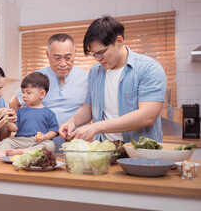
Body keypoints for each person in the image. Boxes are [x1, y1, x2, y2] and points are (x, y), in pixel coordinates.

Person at [58, 15, 167, 143]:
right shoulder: (95, 71)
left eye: (101, 53)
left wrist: (96, 127)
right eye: (94, 55)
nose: (98, 59)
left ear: (119, 41)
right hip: (106, 151)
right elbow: (88, 108)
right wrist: (72, 121)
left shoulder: (148, 68)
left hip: (140, 152)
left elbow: (147, 116)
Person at [9, 33, 88, 152]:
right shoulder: (37, 78)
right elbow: (14, 103)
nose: (63, 64)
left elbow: (91, 110)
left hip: (75, 148)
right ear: (47, 55)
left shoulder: (86, 78)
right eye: (57, 58)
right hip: (38, 146)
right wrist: (21, 127)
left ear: (75, 53)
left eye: (68, 57)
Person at [0, 72, 59, 159]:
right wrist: (7, 120)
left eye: (28, 93)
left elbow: (54, 131)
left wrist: (45, 137)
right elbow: (14, 128)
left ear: (42, 94)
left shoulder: (49, 113)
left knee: (50, 145)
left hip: (38, 142)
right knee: (7, 141)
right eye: (23, 92)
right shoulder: (20, 111)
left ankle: (23, 152)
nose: (24, 96)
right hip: (21, 140)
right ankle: (1, 152)